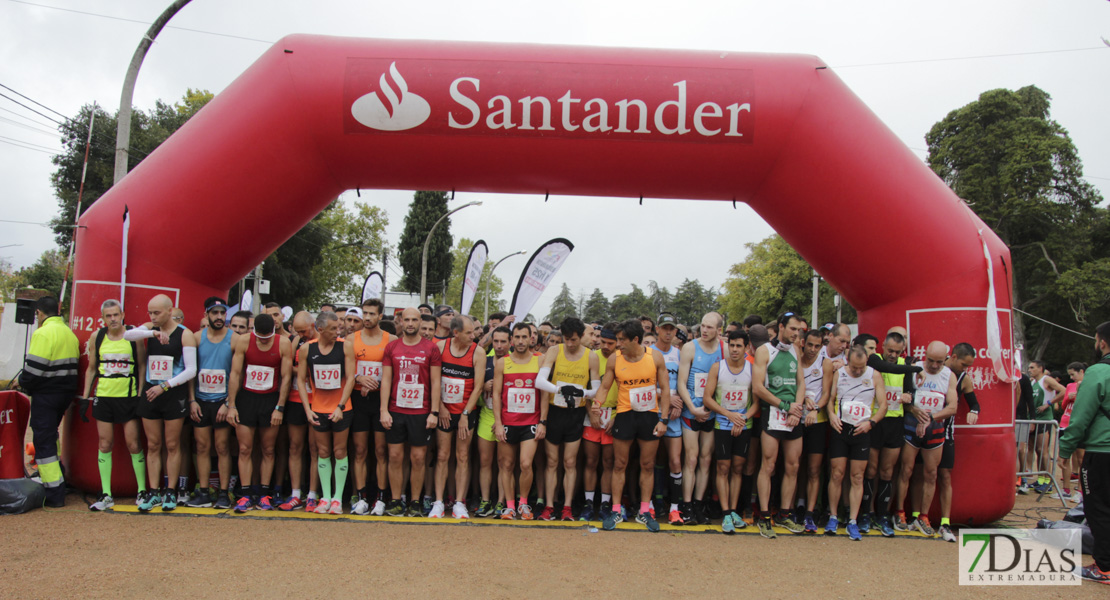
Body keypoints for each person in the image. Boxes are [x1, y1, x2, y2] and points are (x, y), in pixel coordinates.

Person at [121, 295, 197, 511]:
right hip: (150, 394)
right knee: (153, 445)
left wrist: (165, 386)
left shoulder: (185, 335)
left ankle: (170, 492)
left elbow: (191, 370)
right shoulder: (149, 328)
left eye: (157, 313)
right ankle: (154, 492)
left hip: (171, 393)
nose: (152, 317)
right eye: (150, 313)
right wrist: (151, 332)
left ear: (169, 311)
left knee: (172, 445)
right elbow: (127, 334)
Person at [596, 319, 670, 532]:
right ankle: (617, 510)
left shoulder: (654, 357)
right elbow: (604, 386)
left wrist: (663, 419)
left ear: (635, 339)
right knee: (620, 464)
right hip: (625, 416)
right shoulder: (615, 360)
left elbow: (665, 389)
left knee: (648, 465)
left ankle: (645, 511)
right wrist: (597, 404)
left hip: (649, 416)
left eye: (621, 340)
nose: (617, 344)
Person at [1058, 321, 1110, 583]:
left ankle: (1104, 567)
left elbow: (1081, 415)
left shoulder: (1099, 371)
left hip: (1102, 451)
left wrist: (1066, 449)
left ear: (1101, 342)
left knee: (1098, 509)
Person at [535, 317, 600, 521]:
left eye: (573, 340)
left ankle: (567, 507)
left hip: (575, 414)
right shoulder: (555, 351)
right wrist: (560, 389)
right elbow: (539, 381)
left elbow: (596, 389)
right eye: (566, 339)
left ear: (581, 337)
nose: (570, 344)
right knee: (552, 462)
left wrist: (581, 392)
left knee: (570, 462)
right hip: (555, 412)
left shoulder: (591, 357)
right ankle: (548, 506)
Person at [226, 312, 293, 511]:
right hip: (247, 398)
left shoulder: (282, 343)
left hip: (270, 399)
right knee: (245, 449)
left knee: (268, 449)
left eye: (267, 337)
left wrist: (279, 408)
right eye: (260, 337)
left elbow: (286, 377)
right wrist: (231, 405)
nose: (263, 341)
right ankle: (245, 495)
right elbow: (235, 374)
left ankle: (264, 494)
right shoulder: (245, 341)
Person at [82, 299, 144, 511]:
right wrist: (85, 397)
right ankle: (106, 494)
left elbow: (142, 366)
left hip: (128, 397)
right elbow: (91, 368)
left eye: (116, 315)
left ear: (123, 314)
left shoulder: (133, 336)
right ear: (103, 318)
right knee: (105, 443)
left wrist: (140, 394)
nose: (113, 319)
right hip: (104, 397)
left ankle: (142, 491)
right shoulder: (97, 337)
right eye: (108, 316)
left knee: (133, 444)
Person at [380, 308, 442, 517]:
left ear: (420, 321)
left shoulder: (431, 348)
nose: (410, 323)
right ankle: (397, 499)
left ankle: (415, 501)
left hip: (421, 411)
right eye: (406, 319)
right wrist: (383, 410)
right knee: (395, 456)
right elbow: (386, 380)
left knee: (418, 458)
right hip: (396, 410)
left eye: (414, 320)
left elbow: (435, 382)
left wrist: (434, 412)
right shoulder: (392, 347)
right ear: (401, 321)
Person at [892, 341, 958, 536]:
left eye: (939, 362)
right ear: (925, 356)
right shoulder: (914, 369)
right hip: (911, 426)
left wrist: (931, 418)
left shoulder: (949, 376)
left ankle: (924, 516)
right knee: (906, 470)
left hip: (935, 428)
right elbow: (903, 399)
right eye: (931, 361)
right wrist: (913, 409)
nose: (935, 366)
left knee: (931, 474)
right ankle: (900, 512)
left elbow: (953, 407)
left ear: (945, 359)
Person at [752, 312, 807, 538]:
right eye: (792, 329)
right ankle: (765, 516)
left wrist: (797, 407)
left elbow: (800, 382)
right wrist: (785, 406)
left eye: (798, 330)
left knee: (793, 466)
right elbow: (758, 387)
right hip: (773, 412)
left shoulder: (796, 350)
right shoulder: (764, 351)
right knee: (769, 465)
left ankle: (785, 514)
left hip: (792, 414)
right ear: (781, 327)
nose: (796, 334)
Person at [824, 347, 886, 541]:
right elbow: (830, 399)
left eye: (861, 367)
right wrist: (831, 415)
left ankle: (852, 520)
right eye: (854, 367)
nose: (858, 371)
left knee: (857, 477)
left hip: (862, 431)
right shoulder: (839, 374)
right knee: (837, 474)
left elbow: (883, 405)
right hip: (841, 429)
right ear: (847, 361)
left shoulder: (875, 375)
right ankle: (833, 516)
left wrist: (871, 423)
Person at [298, 311, 355, 514]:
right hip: (318, 409)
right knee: (323, 452)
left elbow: (350, 378)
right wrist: (307, 408)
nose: (337, 332)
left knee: (339, 451)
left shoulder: (345, 346)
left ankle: (337, 499)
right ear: (320, 329)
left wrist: (340, 406)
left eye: (338, 328)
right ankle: (325, 498)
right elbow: (301, 380)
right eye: (333, 328)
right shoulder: (307, 349)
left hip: (341, 409)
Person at [431, 315, 485, 519]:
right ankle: (438, 501)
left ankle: (459, 503)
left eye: (474, 332)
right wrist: (441, 407)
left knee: (462, 457)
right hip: (444, 411)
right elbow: (433, 379)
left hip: (465, 412)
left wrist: (465, 414)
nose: (474, 336)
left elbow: (478, 386)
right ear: (456, 333)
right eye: (469, 333)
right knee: (443, 456)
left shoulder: (477, 352)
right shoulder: (440, 347)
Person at [186, 297, 237, 509]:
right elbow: (190, 372)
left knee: (222, 446)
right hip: (201, 400)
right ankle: (204, 491)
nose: (218, 317)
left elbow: (237, 373)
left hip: (222, 401)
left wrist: (228, 402)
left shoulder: (235, 339)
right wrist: (191, 400)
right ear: (206, 314)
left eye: (222, 313)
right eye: (214, 313)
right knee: (202, 446)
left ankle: (224, 493)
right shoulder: (197, 338)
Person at [701, 330, 754, 533]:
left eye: (739, 346)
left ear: (746, 348)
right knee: (723, 468)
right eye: (731, 345)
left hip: (743, 425)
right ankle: (725, 513)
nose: (734, 349)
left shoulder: (751, 368)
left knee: (738, 469)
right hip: (723, 424)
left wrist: (743, 418)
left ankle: (733, 510)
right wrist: (729, 415)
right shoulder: (718, 367)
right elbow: (708, 398)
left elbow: (756, 403)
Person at [492, 322, 545, 520]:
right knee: (506, 465)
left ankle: (523, 503)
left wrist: (543, 422)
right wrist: (498, 423)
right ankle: (510, 506)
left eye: (525, 337)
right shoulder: (502, 363)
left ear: (532, 339)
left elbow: (544, 396)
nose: (521, 341)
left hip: (530, 422)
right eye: (517, 337)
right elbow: (496, 395)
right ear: (512, 339)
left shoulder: (539, 361)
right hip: (508, 422)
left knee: (525, 464)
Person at [676, 312, 724, 525]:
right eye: (703, 326)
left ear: (719, 330)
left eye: (710, 327)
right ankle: (686, 505)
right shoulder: (690, 347)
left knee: (706, 460)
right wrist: (693, 409)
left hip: (712, 412)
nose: (704, 330)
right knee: (692, 459)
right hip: (691, 412)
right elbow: (681, 383)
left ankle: (698, 503)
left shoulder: (723, 349)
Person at [931, 342, 980, 542]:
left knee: (944, 475)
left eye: (968, 366)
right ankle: (916, 517)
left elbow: (974, 402)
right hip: (923, 429)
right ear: (952, 357)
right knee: (919, 472)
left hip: (946, 432)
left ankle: (945, 523)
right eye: (964, 364)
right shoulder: (932, 370)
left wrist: (974, 411)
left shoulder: (963, 378)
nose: (965, 368)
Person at [346, 299, 390, 515]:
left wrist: (376, 382)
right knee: (360, 450)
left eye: (372, 314)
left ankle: (381, 498)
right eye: (365, 313)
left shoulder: (390, 340)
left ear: (380, 316)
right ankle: (362, 497)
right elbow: (346, 373)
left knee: (381, 451)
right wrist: (359, 378)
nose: (367, 317)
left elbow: (393, 373)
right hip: (357, 400)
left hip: (381, 400)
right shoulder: (350, 339)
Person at [279, 311, 319, 511]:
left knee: (315, 449)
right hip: (296, 398)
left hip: (319, 400)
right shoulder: (296, 342)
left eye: (304, 330)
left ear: (313, 325)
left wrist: (304, 369)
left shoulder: (323, 341)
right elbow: (287, 367)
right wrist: (304, 369)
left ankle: (312, 494)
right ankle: (295, 493)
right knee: (295, 447)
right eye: (298, 331)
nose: (302, 334)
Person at [650, 312, 685, 525]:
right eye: (665, 328)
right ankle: (653, 504)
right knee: (651, 460)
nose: (669, 332)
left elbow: (684, 382)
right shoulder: (648, 353)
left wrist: (677, 400)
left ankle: (675, 508)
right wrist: (666, 398)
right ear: (657, 330)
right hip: (654, 411)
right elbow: (643, 385)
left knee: (675, 460)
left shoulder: (679, 354)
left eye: (672, 328)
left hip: (674, 414)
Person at [582, 325, 619, 522]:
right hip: (592, 415)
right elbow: (586, 388)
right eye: (603, 342)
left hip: (613, 414)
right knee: (590, 461)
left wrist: (618, 415)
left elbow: (626, 390)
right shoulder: (592, 356)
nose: (605, 346)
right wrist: (591, 413)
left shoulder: (621, 358)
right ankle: (588, 503)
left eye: (610, 343)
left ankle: (605, 503)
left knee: (609, 462)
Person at [797, 328, 833, 533]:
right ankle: (796, 506)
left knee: (813, 469)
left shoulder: (825, 363)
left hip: (817, 421)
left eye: (817, 346)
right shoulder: (796, 360)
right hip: (795, 419)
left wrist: (816, 409)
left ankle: (809, 513)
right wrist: (802, 400)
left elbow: (826, 393)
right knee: (794, 467)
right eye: (809, 345)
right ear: (803, 343)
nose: (812, 349)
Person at [475, 326, 511, 517]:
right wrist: (482, 386)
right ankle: (485, 499)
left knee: (504, 462)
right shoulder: (486, 360)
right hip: (487, 413)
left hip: (508, 417)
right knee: (485, 461)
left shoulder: (515, 362)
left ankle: (501, 502)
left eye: (503, 342)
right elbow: (473, 388)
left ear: (510, 342)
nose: (498, 345)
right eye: (495, 341)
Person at [1029, 360, 1066, 493]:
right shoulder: (1032, 382)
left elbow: (1063, 390)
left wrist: (1048, 403)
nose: (1029, 370)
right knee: (1037, 451)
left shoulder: (1047, 379)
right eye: (1029, 367)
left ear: (1040, 368)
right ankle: (1041, 480)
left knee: (1043, 450)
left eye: (1032, 367)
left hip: (1045, 420)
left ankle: (1049, 482)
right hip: (1035, 420)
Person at [1054, 362, 1086, 503]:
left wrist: (1079, 395)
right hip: (1065, 424)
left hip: (1078, 425)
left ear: (1082, 372)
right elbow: (1063, 405)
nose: (1071, 378)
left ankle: (1080, 491)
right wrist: (1069, 397)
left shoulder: (1089, 385)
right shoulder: (1069, 386)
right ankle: (1065, 490)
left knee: (1081, 459)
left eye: (1073, 374)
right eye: (1070, 375)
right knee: (1064, 458)